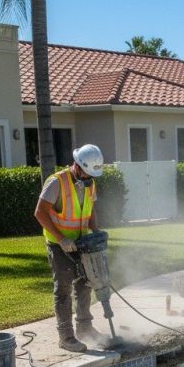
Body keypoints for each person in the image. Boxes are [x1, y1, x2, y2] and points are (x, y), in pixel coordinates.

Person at [33, 144, 106, 352]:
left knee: (85, 284)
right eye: (86, 173)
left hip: (82, 242)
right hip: (59, 244)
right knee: (63, 288)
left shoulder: (90, 182)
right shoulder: (57, 182)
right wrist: (61, 238)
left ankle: (85, 328)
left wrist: (96, 232)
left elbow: (90, 209)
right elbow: (39, 212)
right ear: (77, 165)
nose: (88, 177)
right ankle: (65, 337)